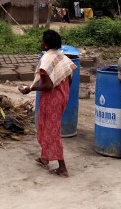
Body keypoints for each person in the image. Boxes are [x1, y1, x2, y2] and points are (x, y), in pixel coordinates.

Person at [18, 29, 77, 177]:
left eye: (42, 41)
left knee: (52, 130)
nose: (41, 43)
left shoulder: (47, 59)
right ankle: (45, 158)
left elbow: (49, 86)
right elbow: (69, 77)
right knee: (45, 126)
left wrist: (30, 89)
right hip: (62, 97)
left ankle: (62, 168)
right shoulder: (62, 57)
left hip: (52, 99)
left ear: (45, 45)